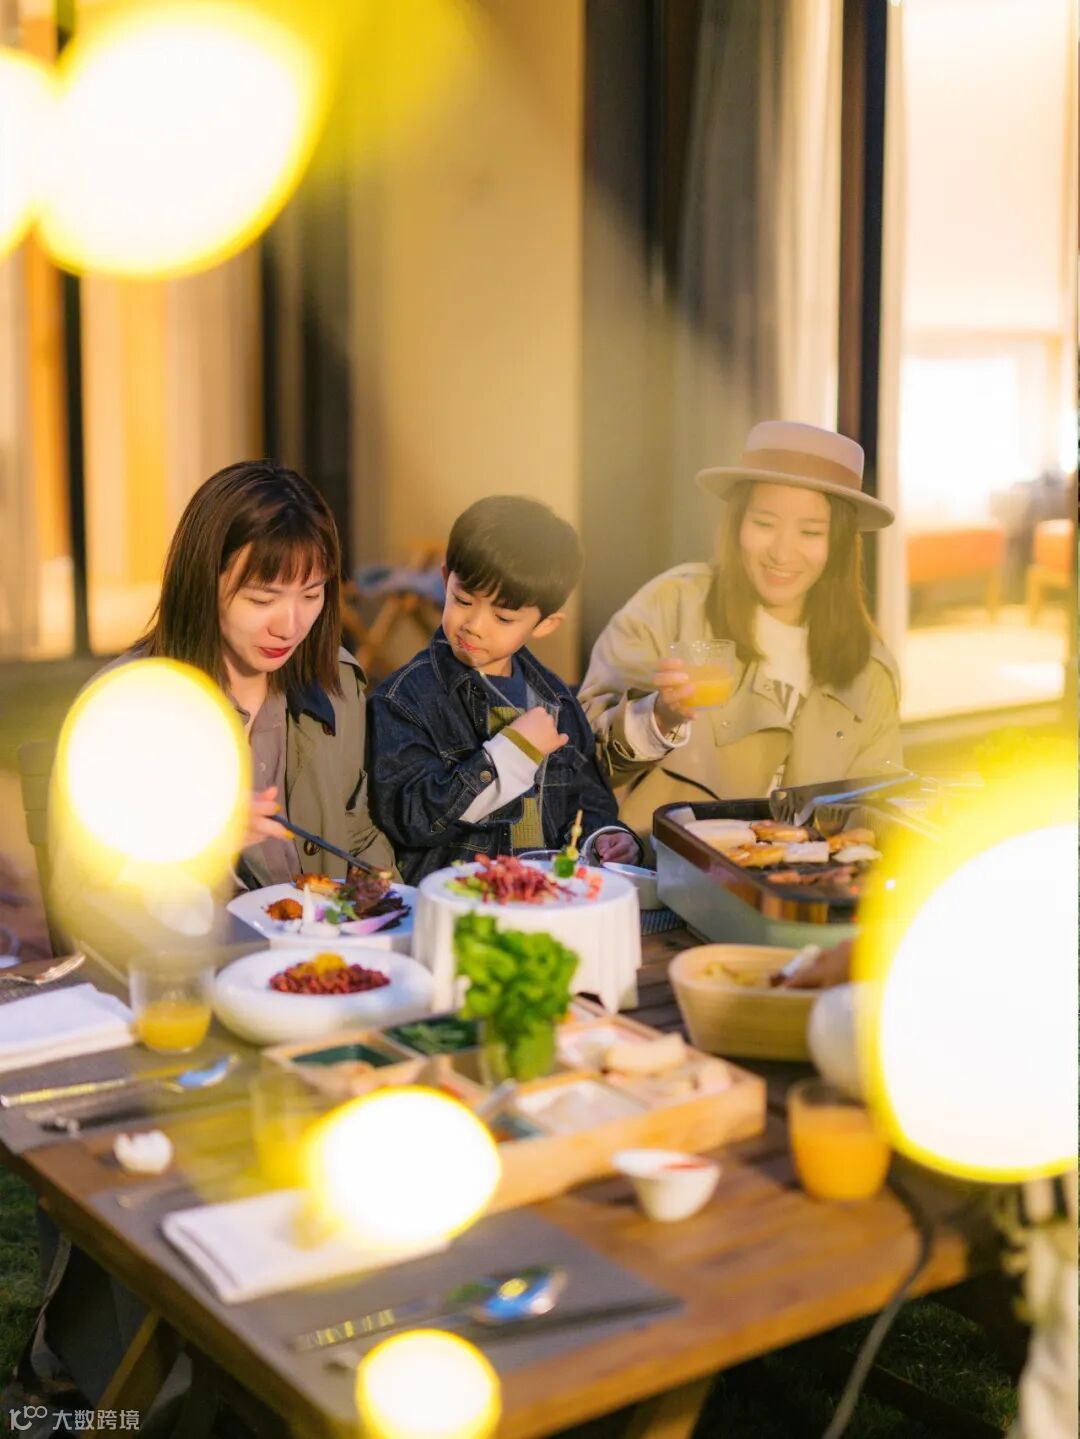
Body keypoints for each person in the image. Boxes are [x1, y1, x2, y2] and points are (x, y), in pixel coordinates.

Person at [578, 421, 902, 842]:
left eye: (810, 532)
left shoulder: (870, 668)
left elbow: (877, 809)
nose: (782, 552)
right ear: (737, 523)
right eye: (764, 523)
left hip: (804, 879)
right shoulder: (672, 605)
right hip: (664, 867)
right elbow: (583, 757)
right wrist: (658, 717)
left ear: (839, 544)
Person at [136, 459, 394, 885]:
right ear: (202, 583)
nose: (290, 627)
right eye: (262, 600)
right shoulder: (129, 711)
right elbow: (90, 899)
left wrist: (396, 906)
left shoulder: (336, 683)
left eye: (311, 595)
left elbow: (357, 834)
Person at [367, 496, 641, 883]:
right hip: (459, 897)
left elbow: (587, 799)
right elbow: (409, 817)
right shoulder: (404, 699)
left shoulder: (557, 701)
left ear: (545, 624)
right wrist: (511, 753)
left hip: (547, 895)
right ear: (445, 580)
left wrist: (606, 837)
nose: (474, 625)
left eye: (503, 617)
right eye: (462, 600)